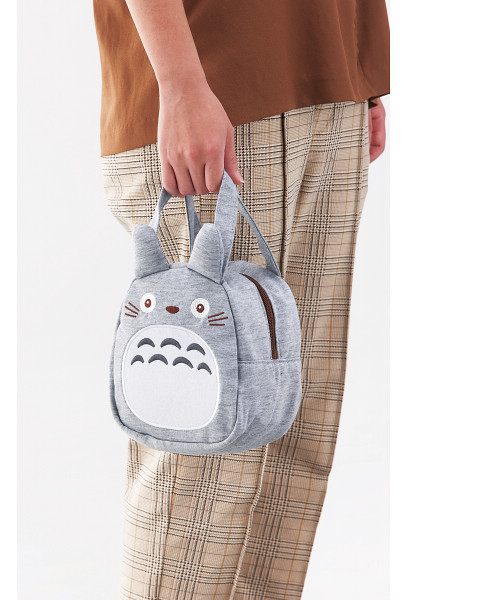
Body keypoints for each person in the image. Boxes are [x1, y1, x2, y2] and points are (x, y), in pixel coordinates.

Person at [93, 1, 389, 598]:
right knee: (199, 444)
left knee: (290, 430)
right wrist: (180, 83)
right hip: (212, 87)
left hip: (330, 79)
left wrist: (362, 70)